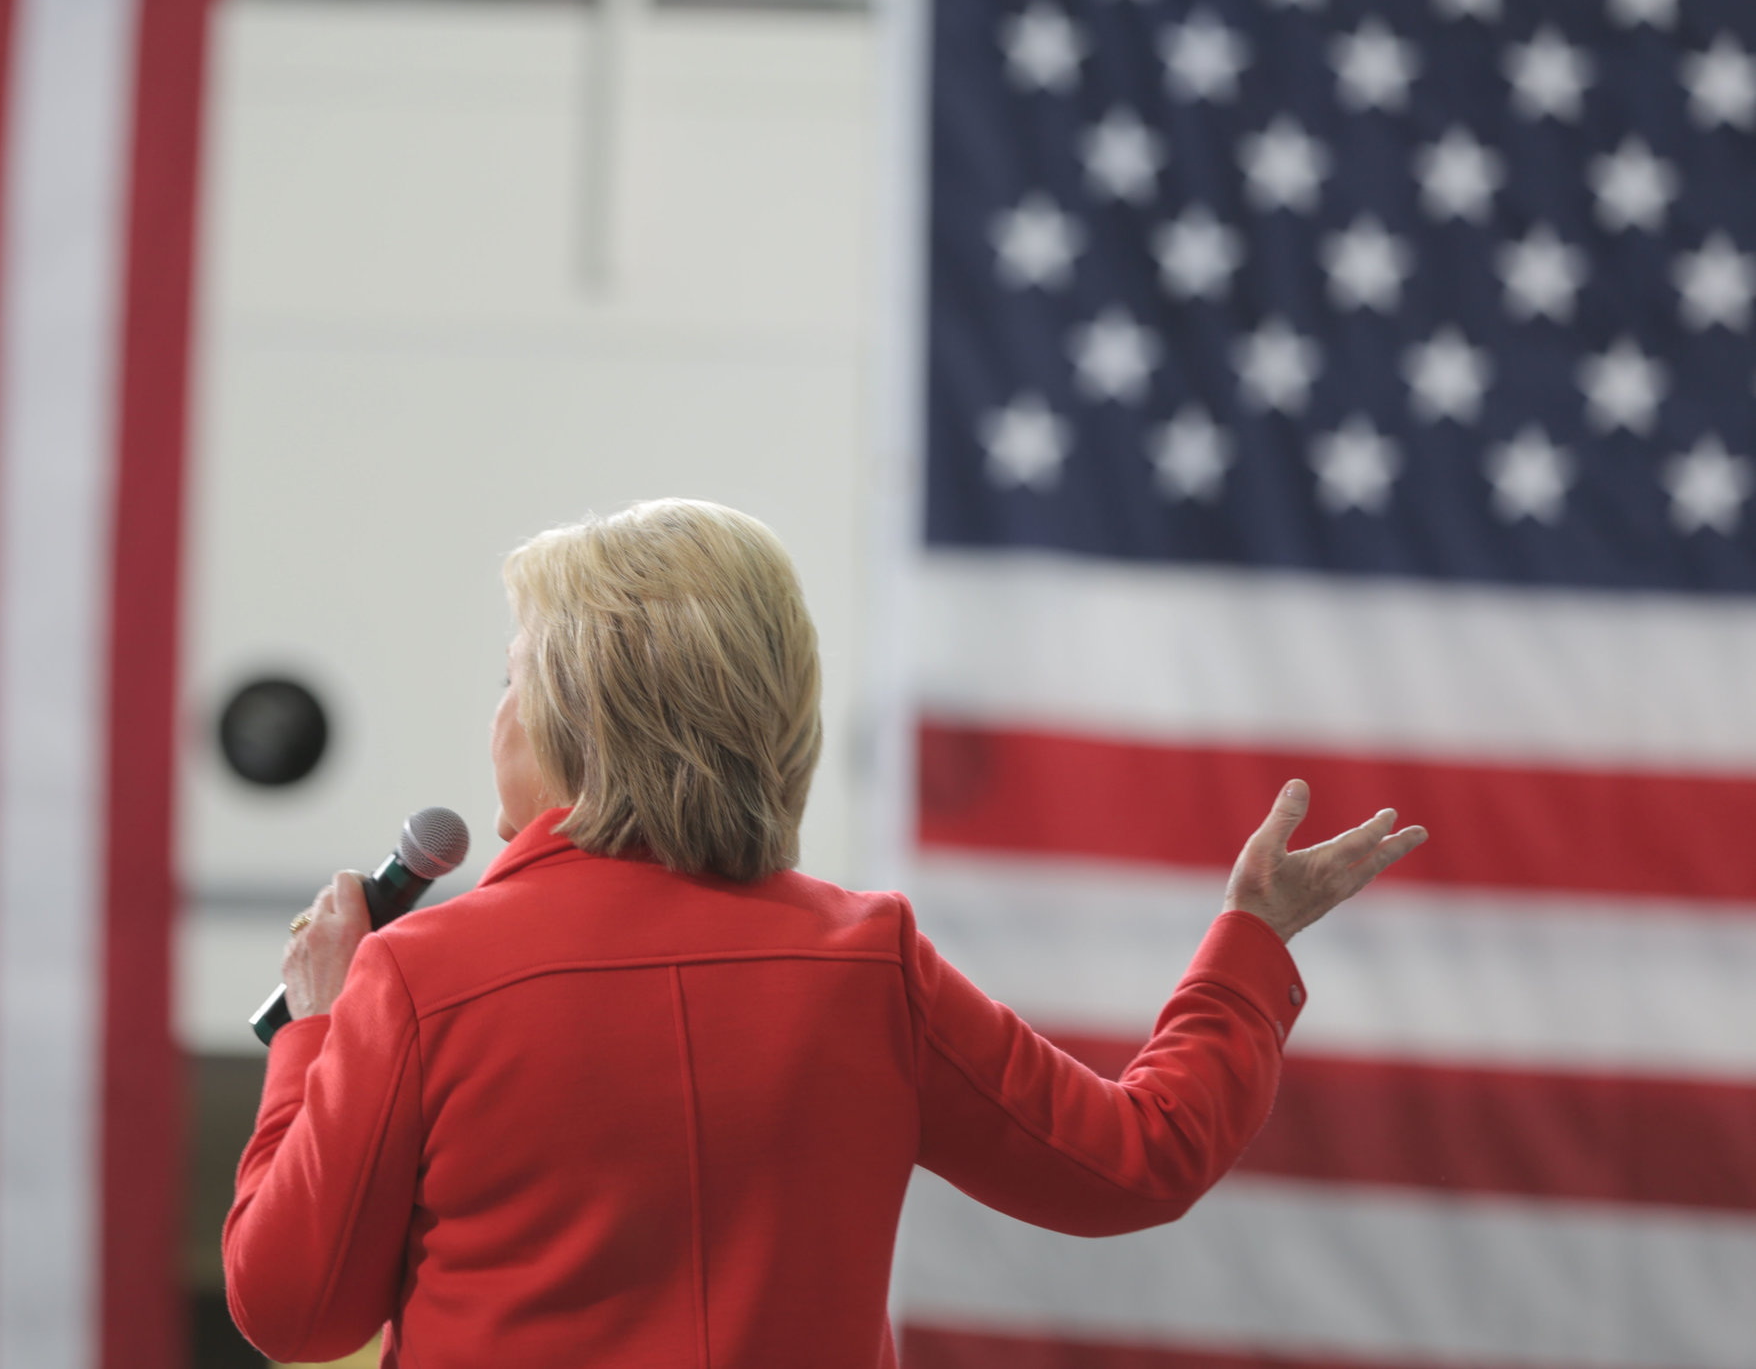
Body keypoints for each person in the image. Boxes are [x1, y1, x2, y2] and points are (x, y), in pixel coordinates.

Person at [224, 499, 1426, 1368]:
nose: (491, 715)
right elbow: (1135, 1157)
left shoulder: (422, 977)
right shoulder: (864, 962)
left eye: (508, 680)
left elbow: (293, 1307)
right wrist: (1249, 944)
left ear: (579, 715)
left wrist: (310, 1035)